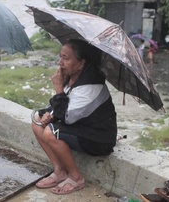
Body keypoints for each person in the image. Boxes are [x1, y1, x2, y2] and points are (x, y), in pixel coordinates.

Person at [31, 39, 117, 195]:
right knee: (37, 119)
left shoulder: (90, 86)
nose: (60, 63)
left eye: (66, 58)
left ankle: (76, 178)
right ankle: (59, 172)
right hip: (81, 126)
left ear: (81, 63)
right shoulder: (71, 77)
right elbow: (61, 107)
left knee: (51, 132)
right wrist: (48, 115)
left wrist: (58, 88)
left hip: (98, 137)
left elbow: (68, 117)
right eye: (60, 57)